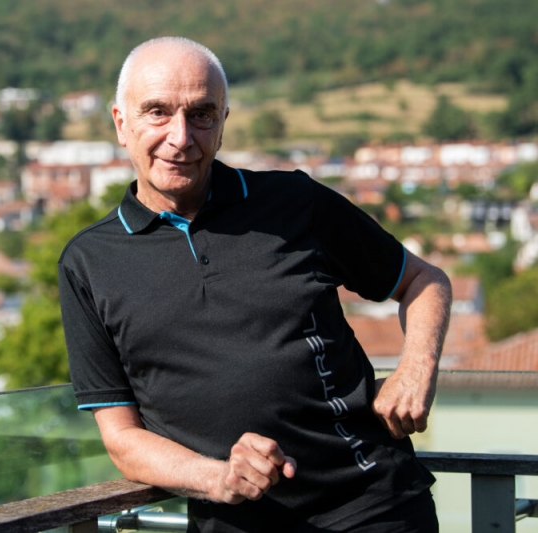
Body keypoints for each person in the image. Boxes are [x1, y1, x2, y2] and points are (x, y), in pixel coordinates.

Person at [58, 36, 452, 532]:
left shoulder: (294, 202)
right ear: (121, 123)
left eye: (202, 114)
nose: (181, 137)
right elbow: (122, 439)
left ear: (223, 124)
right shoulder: (88, 262)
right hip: (234, 524)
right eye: (157, 112)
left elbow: (423, 280)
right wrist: (219, 478)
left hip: (375, 507)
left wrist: (415, 368)